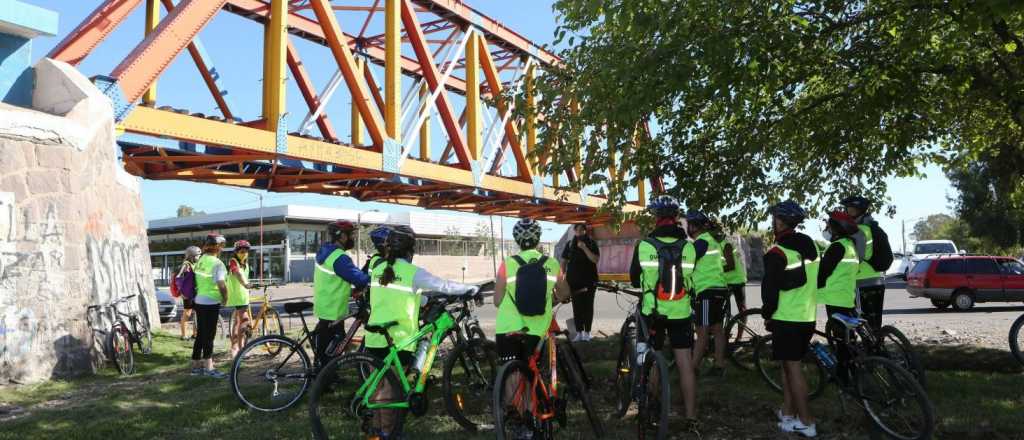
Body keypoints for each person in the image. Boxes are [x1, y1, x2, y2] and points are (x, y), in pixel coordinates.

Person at [365, 225, 479, 438]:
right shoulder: (412, 272)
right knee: (391, 391)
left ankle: (377, 430)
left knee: (377, 387)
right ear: (410, 250)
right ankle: (388, 434)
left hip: (374, 336)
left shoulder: (379, 269)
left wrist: (423, 300)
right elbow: (442, 285)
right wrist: (469, 289)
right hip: (399, 338)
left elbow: (392, 295)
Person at [494, 218, 570, 437]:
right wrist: (554, 297)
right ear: (538, 239)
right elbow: (564, 293)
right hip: (536, 329)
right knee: (530, 372)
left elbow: (498, 300)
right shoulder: (552, 264)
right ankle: (531, 415)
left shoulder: (507, 264)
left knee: (511, 375)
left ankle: (518, 423)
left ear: (517, 241)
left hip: (507, 328)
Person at [629, 195, 698, 429]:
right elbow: (691, 277)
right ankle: (691, 417)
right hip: (681, 312)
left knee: (652, 358)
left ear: (656, 217)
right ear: (676, 217)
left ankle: (652, 409)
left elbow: (633, 280)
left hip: (653, 313)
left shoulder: (645, 245)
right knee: (685, 363)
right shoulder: (689, 247)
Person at [761, 201, 819, 438]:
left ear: (781, 222)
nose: (773, 222)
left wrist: (767, 314)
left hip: (787, 318)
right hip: (807, 316)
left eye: (775, 218)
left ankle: (807, 422)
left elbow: (770, 291)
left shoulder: (777, 252)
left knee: (793, 370)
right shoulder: (811, 246)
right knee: (788, 367)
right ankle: (788, 413)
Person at [313, 220, 370, 368]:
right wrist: (373, 277)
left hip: (326, 305)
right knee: (330, 349)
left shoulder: (326, 252)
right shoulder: (339, 257)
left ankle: (327, 377)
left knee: (328, 347)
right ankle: (322, 382)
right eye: (350, 235)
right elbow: (359, 278)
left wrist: (351, 290)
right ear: (342, 236)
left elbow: (334, 280)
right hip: (333, 309)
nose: (352, 238)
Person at [817, 211, 861, 385]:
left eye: (828, 225)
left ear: (836, 229)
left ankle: (844, 378)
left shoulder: (836, 247)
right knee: (846, 340)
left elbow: (823, 272)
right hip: (847, 298)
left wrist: (812, 287)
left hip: (834, 299)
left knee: (841, 341)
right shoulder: (851, 246)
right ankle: (851, 372)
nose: (826, 228)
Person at [685, 210, 731, 377]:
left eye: (689, 224)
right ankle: (719, 366)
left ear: (694, 226)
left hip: (706, 292)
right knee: (718, 329)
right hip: (719, 290)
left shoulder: (701, 243)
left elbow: (687, 265)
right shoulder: (713, 241)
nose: (687, 228)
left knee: (702, 332)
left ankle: (691, 369)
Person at [840, 196, 894, 332]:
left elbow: (855, 255)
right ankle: (878, 349)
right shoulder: (874, 227)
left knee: (861, 322)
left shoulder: (860, 230)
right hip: (877, 279)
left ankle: (872, 351)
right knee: (874, 323)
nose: (847, 213)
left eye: (850, 210)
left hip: (861, 280)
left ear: (859, 211)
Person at [191, 234, 229, 378]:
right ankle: (209, 367)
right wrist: (225, 297)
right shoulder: (217, 263)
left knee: (201, 334)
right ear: (218, 247)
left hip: (199, 300)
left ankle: (195, 365)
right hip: (211, 302)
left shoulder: (201, 260)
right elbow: (221, 284)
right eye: (222, 246)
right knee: (209, 335)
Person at [560, 223, 600, 341]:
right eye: (577, 230)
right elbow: (563, 260)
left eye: (581, 230)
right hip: (574, 281)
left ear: (585, 231)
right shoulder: (570, 244)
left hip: (590, 280)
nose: (579, 232)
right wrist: (563, 274)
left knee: (588, 307)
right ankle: (579, 332)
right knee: (577, 307)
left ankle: (587, 333)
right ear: (574, 232)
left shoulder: (592, 243)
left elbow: (595, 259)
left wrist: (584, 248)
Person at [226, 240, 253, 359]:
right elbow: (237, 274)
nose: (244, 253)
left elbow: (246, 276)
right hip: (237, 296)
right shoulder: (233, 262)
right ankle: (239, 348)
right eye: (242, 251)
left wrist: (249, 285)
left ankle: (237, 347)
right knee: (244, 321)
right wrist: (245, 284)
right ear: (236, 252)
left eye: (246, 251)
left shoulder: (245, 264)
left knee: (238, 322)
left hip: (244, 296)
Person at [713, 223, 748, 314]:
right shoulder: (719, 243)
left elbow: (731, 265)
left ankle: (740, 328)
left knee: (741, 309)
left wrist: (715, 270)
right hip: (727, 280)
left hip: (736, 280)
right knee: (724, 309)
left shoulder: (726, 244)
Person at [176, 246, 201, 341]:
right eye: (198, 256)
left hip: (195, 292)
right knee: (187, 313)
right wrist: (181, 291)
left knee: (197, 313)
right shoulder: (186, 264)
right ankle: (183, 335)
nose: (199, 257)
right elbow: (178, 277)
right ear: (191, 256)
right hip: (187, 293)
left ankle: (195, 334)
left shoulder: (195, 264)